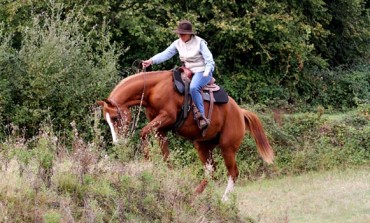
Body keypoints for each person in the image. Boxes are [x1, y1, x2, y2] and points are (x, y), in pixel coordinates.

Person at [142, 20, 215, 129]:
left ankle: (201, 116)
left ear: (190, 34)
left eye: (183, 34)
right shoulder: (177, 43)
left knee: (194, 87)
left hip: (202, 71)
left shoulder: (199, 43)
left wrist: (207, 71)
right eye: (179, 34)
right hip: (187, 70)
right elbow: (166, 54)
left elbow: (209, 59)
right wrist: (151, 61)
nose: (181, 36)